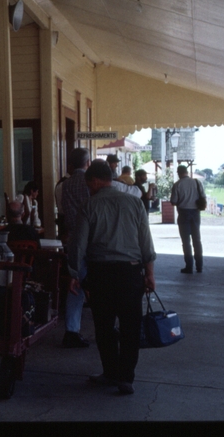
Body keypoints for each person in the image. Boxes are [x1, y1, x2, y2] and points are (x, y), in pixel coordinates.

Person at [68, 160, 156, 395]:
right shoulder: (135, 203)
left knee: (104, 327)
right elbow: (146, 241)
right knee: (130, 326)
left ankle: (110, 372)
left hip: (101, 275)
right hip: (130, 273)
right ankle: (126, 378)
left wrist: (74, 274)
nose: (88, 188)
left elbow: (79, 245)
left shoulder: (89, 205)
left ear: (96, 181)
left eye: (89, 184)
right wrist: (149, 273)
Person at [59, 148, 92, 348]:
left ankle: (71, 330)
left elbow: (63, 211)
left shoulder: (65, 185)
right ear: (87, 162)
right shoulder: (90, 182)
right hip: (92, 239)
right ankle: (106, 327)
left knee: (75, 284)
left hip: (72, 237)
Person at [170, 165, 205, 274]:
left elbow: (173, 201)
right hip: (195, 213)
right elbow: (203, 196)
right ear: (187, 172)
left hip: (183, 213)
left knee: (186, 242)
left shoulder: (177, 185)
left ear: (178, 173)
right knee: (197, 240)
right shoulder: (197, 183)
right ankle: (199, 266)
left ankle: (189, 267)